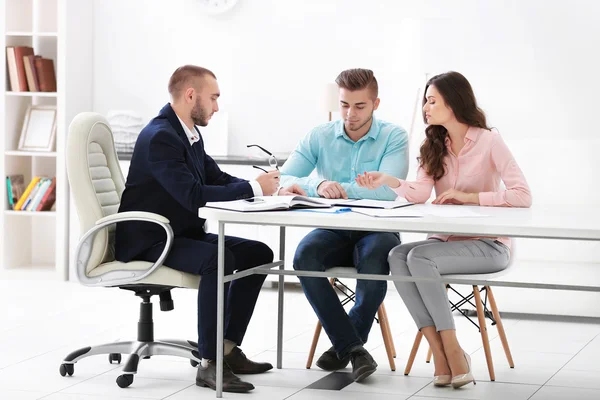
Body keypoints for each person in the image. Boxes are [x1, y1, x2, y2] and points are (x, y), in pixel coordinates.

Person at [115, 65, 305, 393]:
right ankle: (209, 364)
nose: (217, 107)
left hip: (179, 233)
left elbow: (214, 178)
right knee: (218, 259)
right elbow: (192, 195)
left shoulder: (187, 133)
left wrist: (268, 187)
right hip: (150, 240)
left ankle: (227, 350)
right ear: (191, 95)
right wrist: (255, 189)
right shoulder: (161, 136)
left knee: (258, 254)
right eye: (213, 98)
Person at [356, 71, 532, 388]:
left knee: (419, 259)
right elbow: (421, 193)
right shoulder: (434, 144)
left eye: (432, 100)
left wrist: (470, 198)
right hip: (443, 244)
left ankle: (451, 350)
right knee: (397, 256)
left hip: (489, 246)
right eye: (425, 100)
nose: (426, 107)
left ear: (453, 102)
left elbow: (522, 195)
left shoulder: (490, 141)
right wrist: (389, 181)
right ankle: (441, 351)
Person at [280, 68, 409, 381]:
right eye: (344, 105)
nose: (351, 114)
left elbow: (387, 190)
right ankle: (353, 348)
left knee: (375, 259)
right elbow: (283, 179)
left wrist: (339, 188)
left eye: (360, 106)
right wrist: (319, 184)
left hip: (377, 227)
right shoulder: (319, 135)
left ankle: (345, 343)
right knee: (304, 256)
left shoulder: (395, 136)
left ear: (376, 103)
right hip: (333, 227)